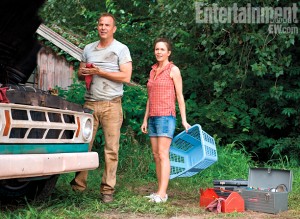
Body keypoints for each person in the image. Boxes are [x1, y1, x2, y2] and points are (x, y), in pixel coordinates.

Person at [70, 12, 132, 203]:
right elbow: (81, 74)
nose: (103, 28)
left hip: (112, 105)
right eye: (100, 24)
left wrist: (100, 71)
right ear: (97, 27)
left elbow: (126, 77)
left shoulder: (121, 49)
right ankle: (78, 187)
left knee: (111, 149)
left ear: (113, 29)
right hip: (89, 104)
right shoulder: (88, 48)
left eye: (107, 25)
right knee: (83, 146)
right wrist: (82, 73)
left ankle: (107, 190)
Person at [141, 38, 190, 203]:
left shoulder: (173, 70)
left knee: (163, 154)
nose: (159, 52)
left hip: (166, 116)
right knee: (156, 155)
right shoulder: (153, 70)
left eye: (162, 49)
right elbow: (149, 97)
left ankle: (162, 194)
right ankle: (159, 192)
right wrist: (145, 119)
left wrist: (184, 120)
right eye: (156, 49)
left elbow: (179, 95)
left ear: (168, 52)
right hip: (153, 117)